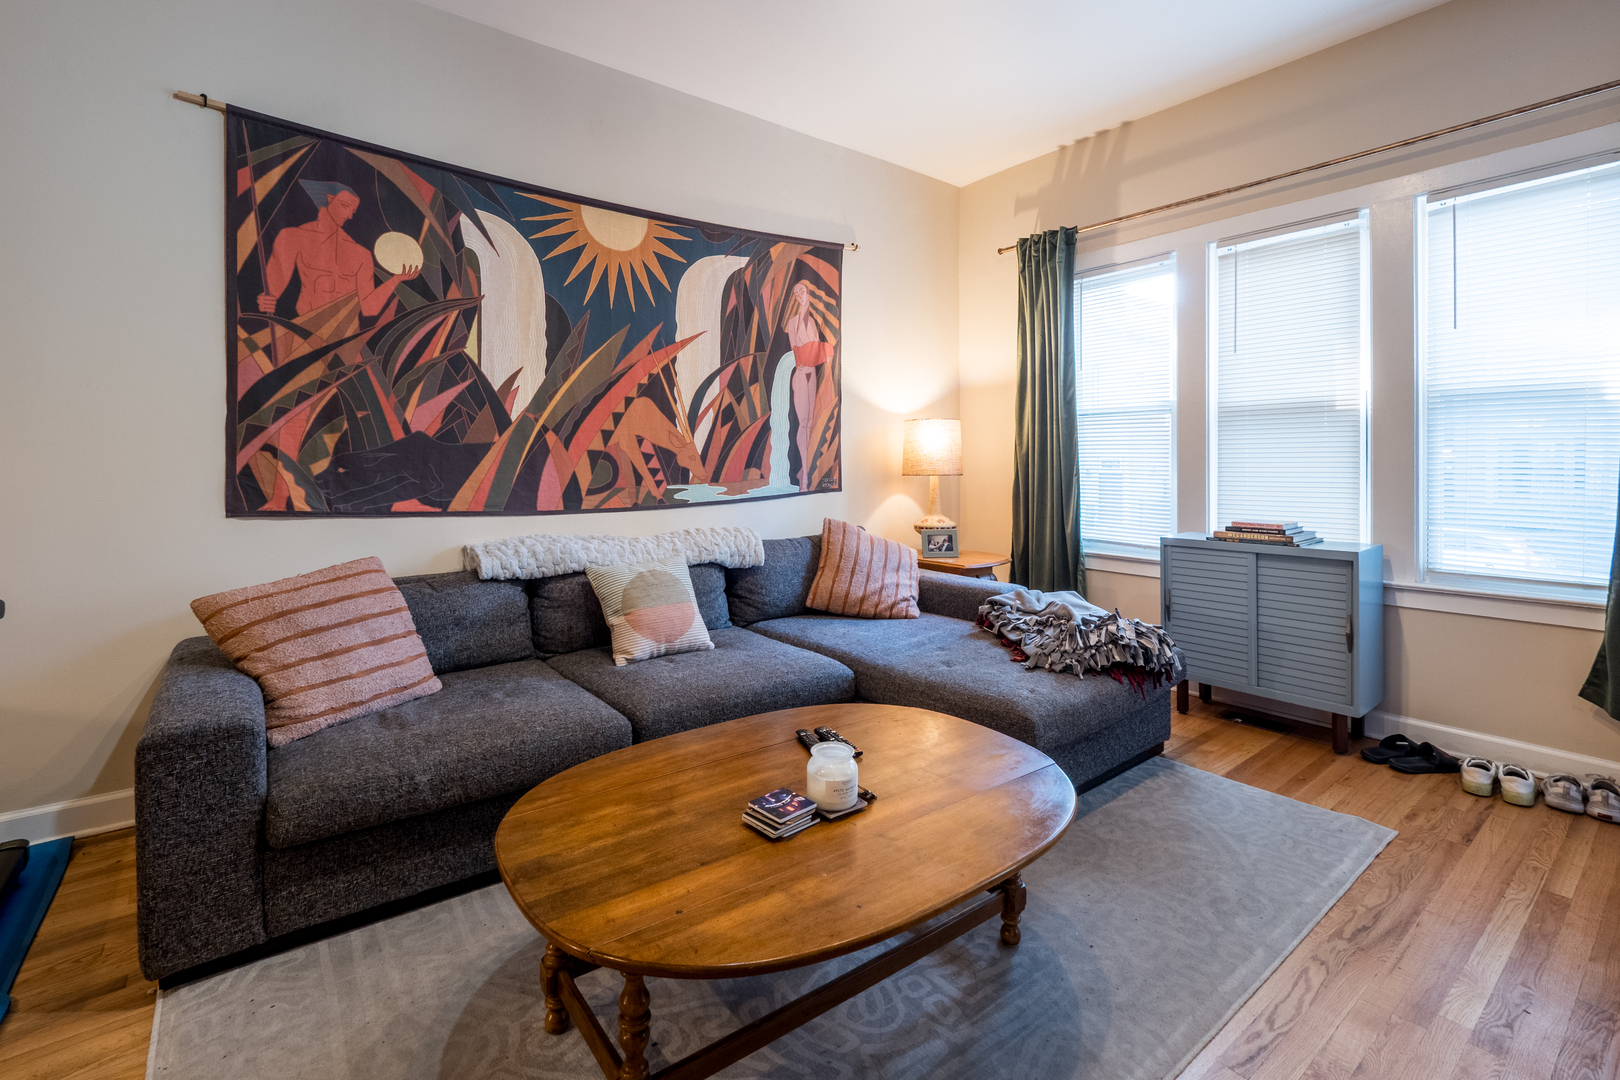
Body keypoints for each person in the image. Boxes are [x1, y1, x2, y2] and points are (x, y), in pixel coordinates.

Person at [257, 180, 420, 318]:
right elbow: (273, 288)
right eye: (345, 206)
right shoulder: (294, 236)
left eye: (353, 211)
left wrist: (396, 279)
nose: (349, 215)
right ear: (329, 198)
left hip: (347, 337)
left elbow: (370, 309)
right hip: (306, 329)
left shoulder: (361, 254)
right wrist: (267, 300)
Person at [784, 280, 833, 491]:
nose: (800, 296)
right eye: (796, 294)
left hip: (812, 375)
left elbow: (815, 350)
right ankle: (803, 478)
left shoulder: (812, 322)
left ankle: (805, 471)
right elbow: (799, 352)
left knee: (811, 422)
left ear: (809, 293)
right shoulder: (793, 322)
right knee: (803, 423)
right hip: (801, 375)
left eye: (802, 292)